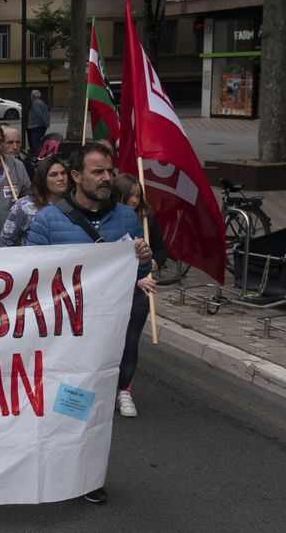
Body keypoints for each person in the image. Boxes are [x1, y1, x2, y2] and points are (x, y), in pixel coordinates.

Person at [25, 142, 154, 505]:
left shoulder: (126, 219)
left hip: (104, 338)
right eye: (97, 171)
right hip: (63, 337)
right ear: (76, 177)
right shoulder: (48, 219)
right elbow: (30, 275)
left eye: (109, 171)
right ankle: (53, 469)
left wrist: (143, 259)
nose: (106, 178)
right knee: (62, 406)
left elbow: (137, 273)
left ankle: (86, 476)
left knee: (92, 411)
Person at [111, 173, 167, 418]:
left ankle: (124, 390)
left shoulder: (147, 220)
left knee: (130, 342)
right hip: (111, 293)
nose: (134, 200)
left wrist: (154, 262)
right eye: (129, 195)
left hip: (137, 293)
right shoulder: (108, 221)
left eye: (138, 195)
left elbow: (162, 250)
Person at [0, 156, 68, 247]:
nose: (61, 178)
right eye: (54, 175)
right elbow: (6, 242)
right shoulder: (24, 206)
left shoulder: (76, 204)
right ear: (42, 179)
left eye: (63, 173)